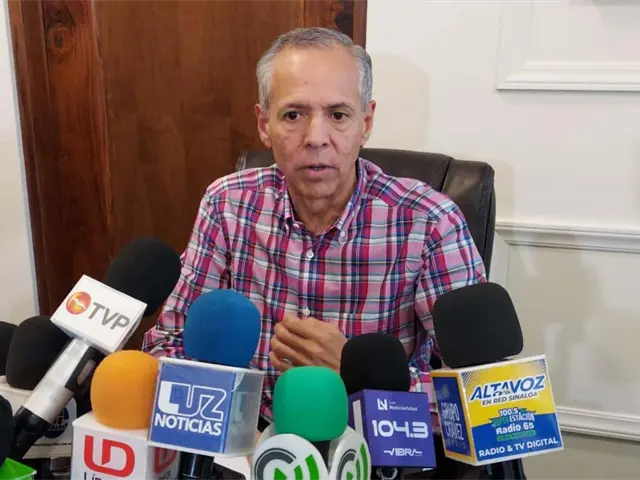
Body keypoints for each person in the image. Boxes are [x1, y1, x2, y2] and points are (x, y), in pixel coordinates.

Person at [142, 26, 486, 429]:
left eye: (338, 115)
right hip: (246, 440)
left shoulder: (429, 222)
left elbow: (484, 398)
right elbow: (168, 346)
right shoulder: (227, 205)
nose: (316, 138)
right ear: (263, 124)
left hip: (372, 446)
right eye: (293, 115)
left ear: (366, 123)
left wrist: (358, 375)